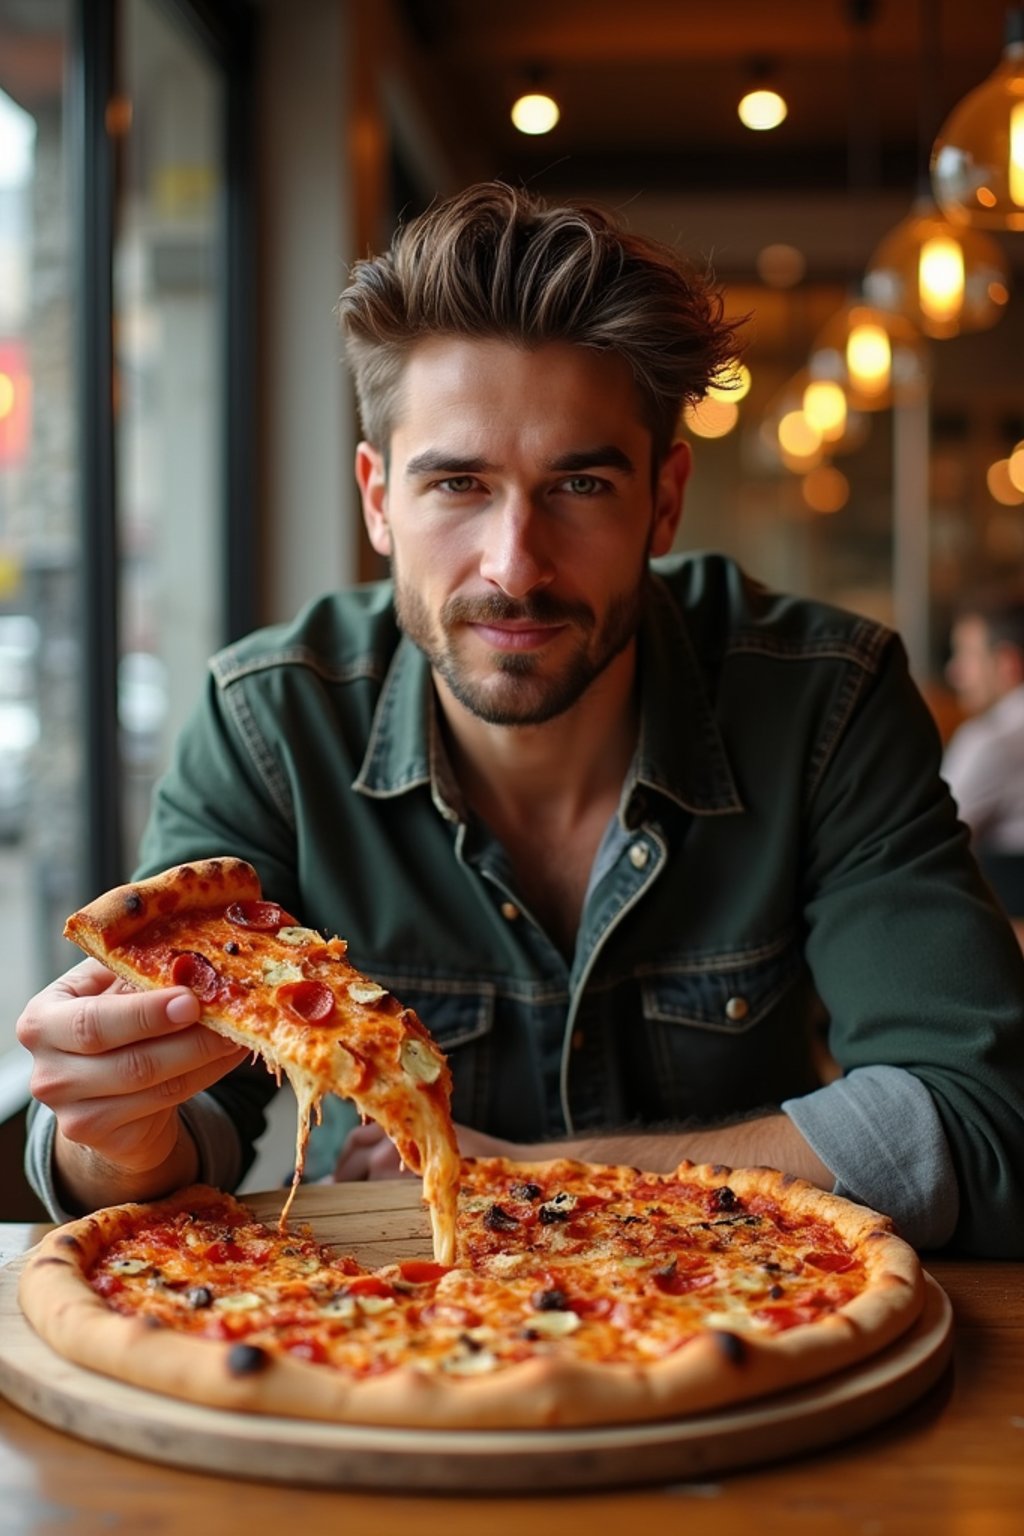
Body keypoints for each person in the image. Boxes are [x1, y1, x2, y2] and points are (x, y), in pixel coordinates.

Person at [17, 183, 1024, 1258]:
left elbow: (978, 1129)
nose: (514, 566)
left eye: (579, 485)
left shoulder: (827, 697)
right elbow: (178, 1138)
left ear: (664, 499)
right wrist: (112, 1139)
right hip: (400, 1356)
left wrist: (523, 1177)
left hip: (745, 1349)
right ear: (376, 500)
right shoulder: (267, 723)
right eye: (457, 485)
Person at [943, 590, 1024, 854]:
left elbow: (930, 841)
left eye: (966, 655)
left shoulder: (992, 741)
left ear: (1006, 664)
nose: (953, 673)